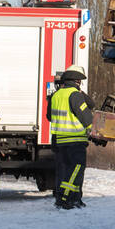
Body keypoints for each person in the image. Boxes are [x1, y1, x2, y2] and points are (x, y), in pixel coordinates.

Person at [46, 65, 92, 209]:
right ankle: (66, 199)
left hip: (60, 140)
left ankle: (69, 198)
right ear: (78, 81)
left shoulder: (56, 95)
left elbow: (49, 116)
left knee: (63, 170)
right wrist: (91, 131)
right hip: (75, 140)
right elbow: (87, 118)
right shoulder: (75, 95)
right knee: (76, 170)